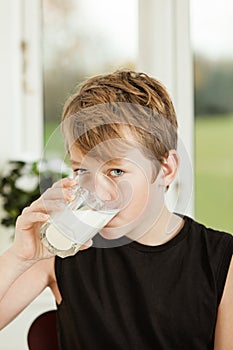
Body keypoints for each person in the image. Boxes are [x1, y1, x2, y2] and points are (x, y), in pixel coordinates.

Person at [0, 70, 232, 350]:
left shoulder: (221, 262)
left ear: (166, 169)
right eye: (81, 169)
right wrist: (18, 257)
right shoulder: (62, 252)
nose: (98, 190)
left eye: (116, 170)